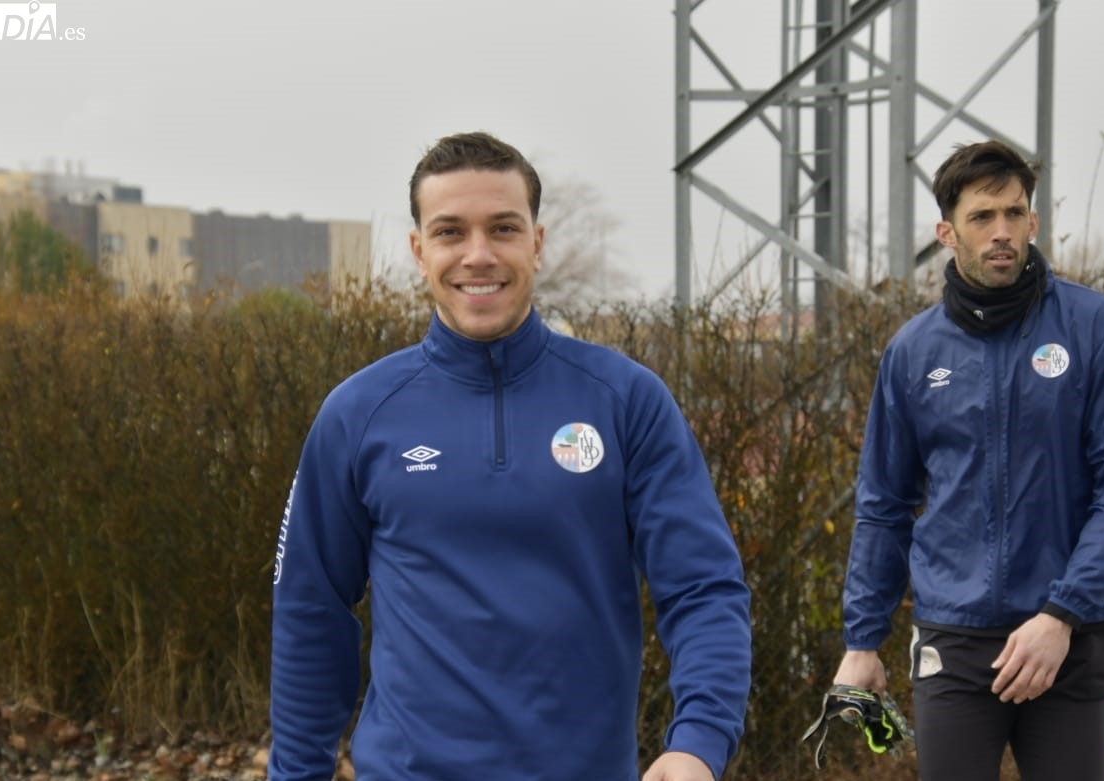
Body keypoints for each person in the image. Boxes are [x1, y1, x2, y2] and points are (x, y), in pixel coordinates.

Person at [269, 131, 752, 781]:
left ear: (537, 242)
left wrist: (697, 740)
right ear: (418, 250)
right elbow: (311, 606)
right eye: (449, 232)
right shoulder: (359, 414)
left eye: (502, 228)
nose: (478, 254)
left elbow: (702, 587)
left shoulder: (626, 401)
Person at [833, 139, 1104, 780]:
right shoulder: (912, 351)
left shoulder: (1100, 329)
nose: (1002, 232)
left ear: (1034, 223)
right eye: (983, 218)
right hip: (953, 640)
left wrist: (1062, 614)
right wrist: (861, 640)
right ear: (947, 232)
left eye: (1015, 214)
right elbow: (884, 504)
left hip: (1071, 639)